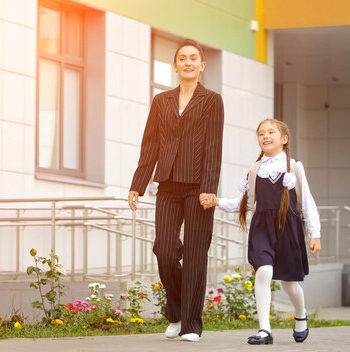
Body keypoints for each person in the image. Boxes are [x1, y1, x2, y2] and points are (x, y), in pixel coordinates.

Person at [128, 39, 224, 342]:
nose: (188, 62)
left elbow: (213, 148)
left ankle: (191, 324)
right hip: (167, 184)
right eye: (182, 58)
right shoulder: (161, 101)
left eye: (194, 58)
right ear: (175, 65)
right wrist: (138, 184)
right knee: (165, 250)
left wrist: (210, 189)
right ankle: (176, 312)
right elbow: (150, 144)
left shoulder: (212, 100)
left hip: (198, 189)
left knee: (195, 255)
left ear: (202, 65)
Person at [199, 118, 321, 345]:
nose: (265, 136)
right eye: (261, 133)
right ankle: (264, 329)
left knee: (289, 284)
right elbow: (246, 203)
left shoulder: (295, 167)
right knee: (263, 271)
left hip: (288, 228)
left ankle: (301, 314)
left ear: (283, 139)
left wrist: (315, 233)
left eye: (270, 132)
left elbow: (306, 203)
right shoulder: (255, 170)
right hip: (262, 229)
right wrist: (217, 201)